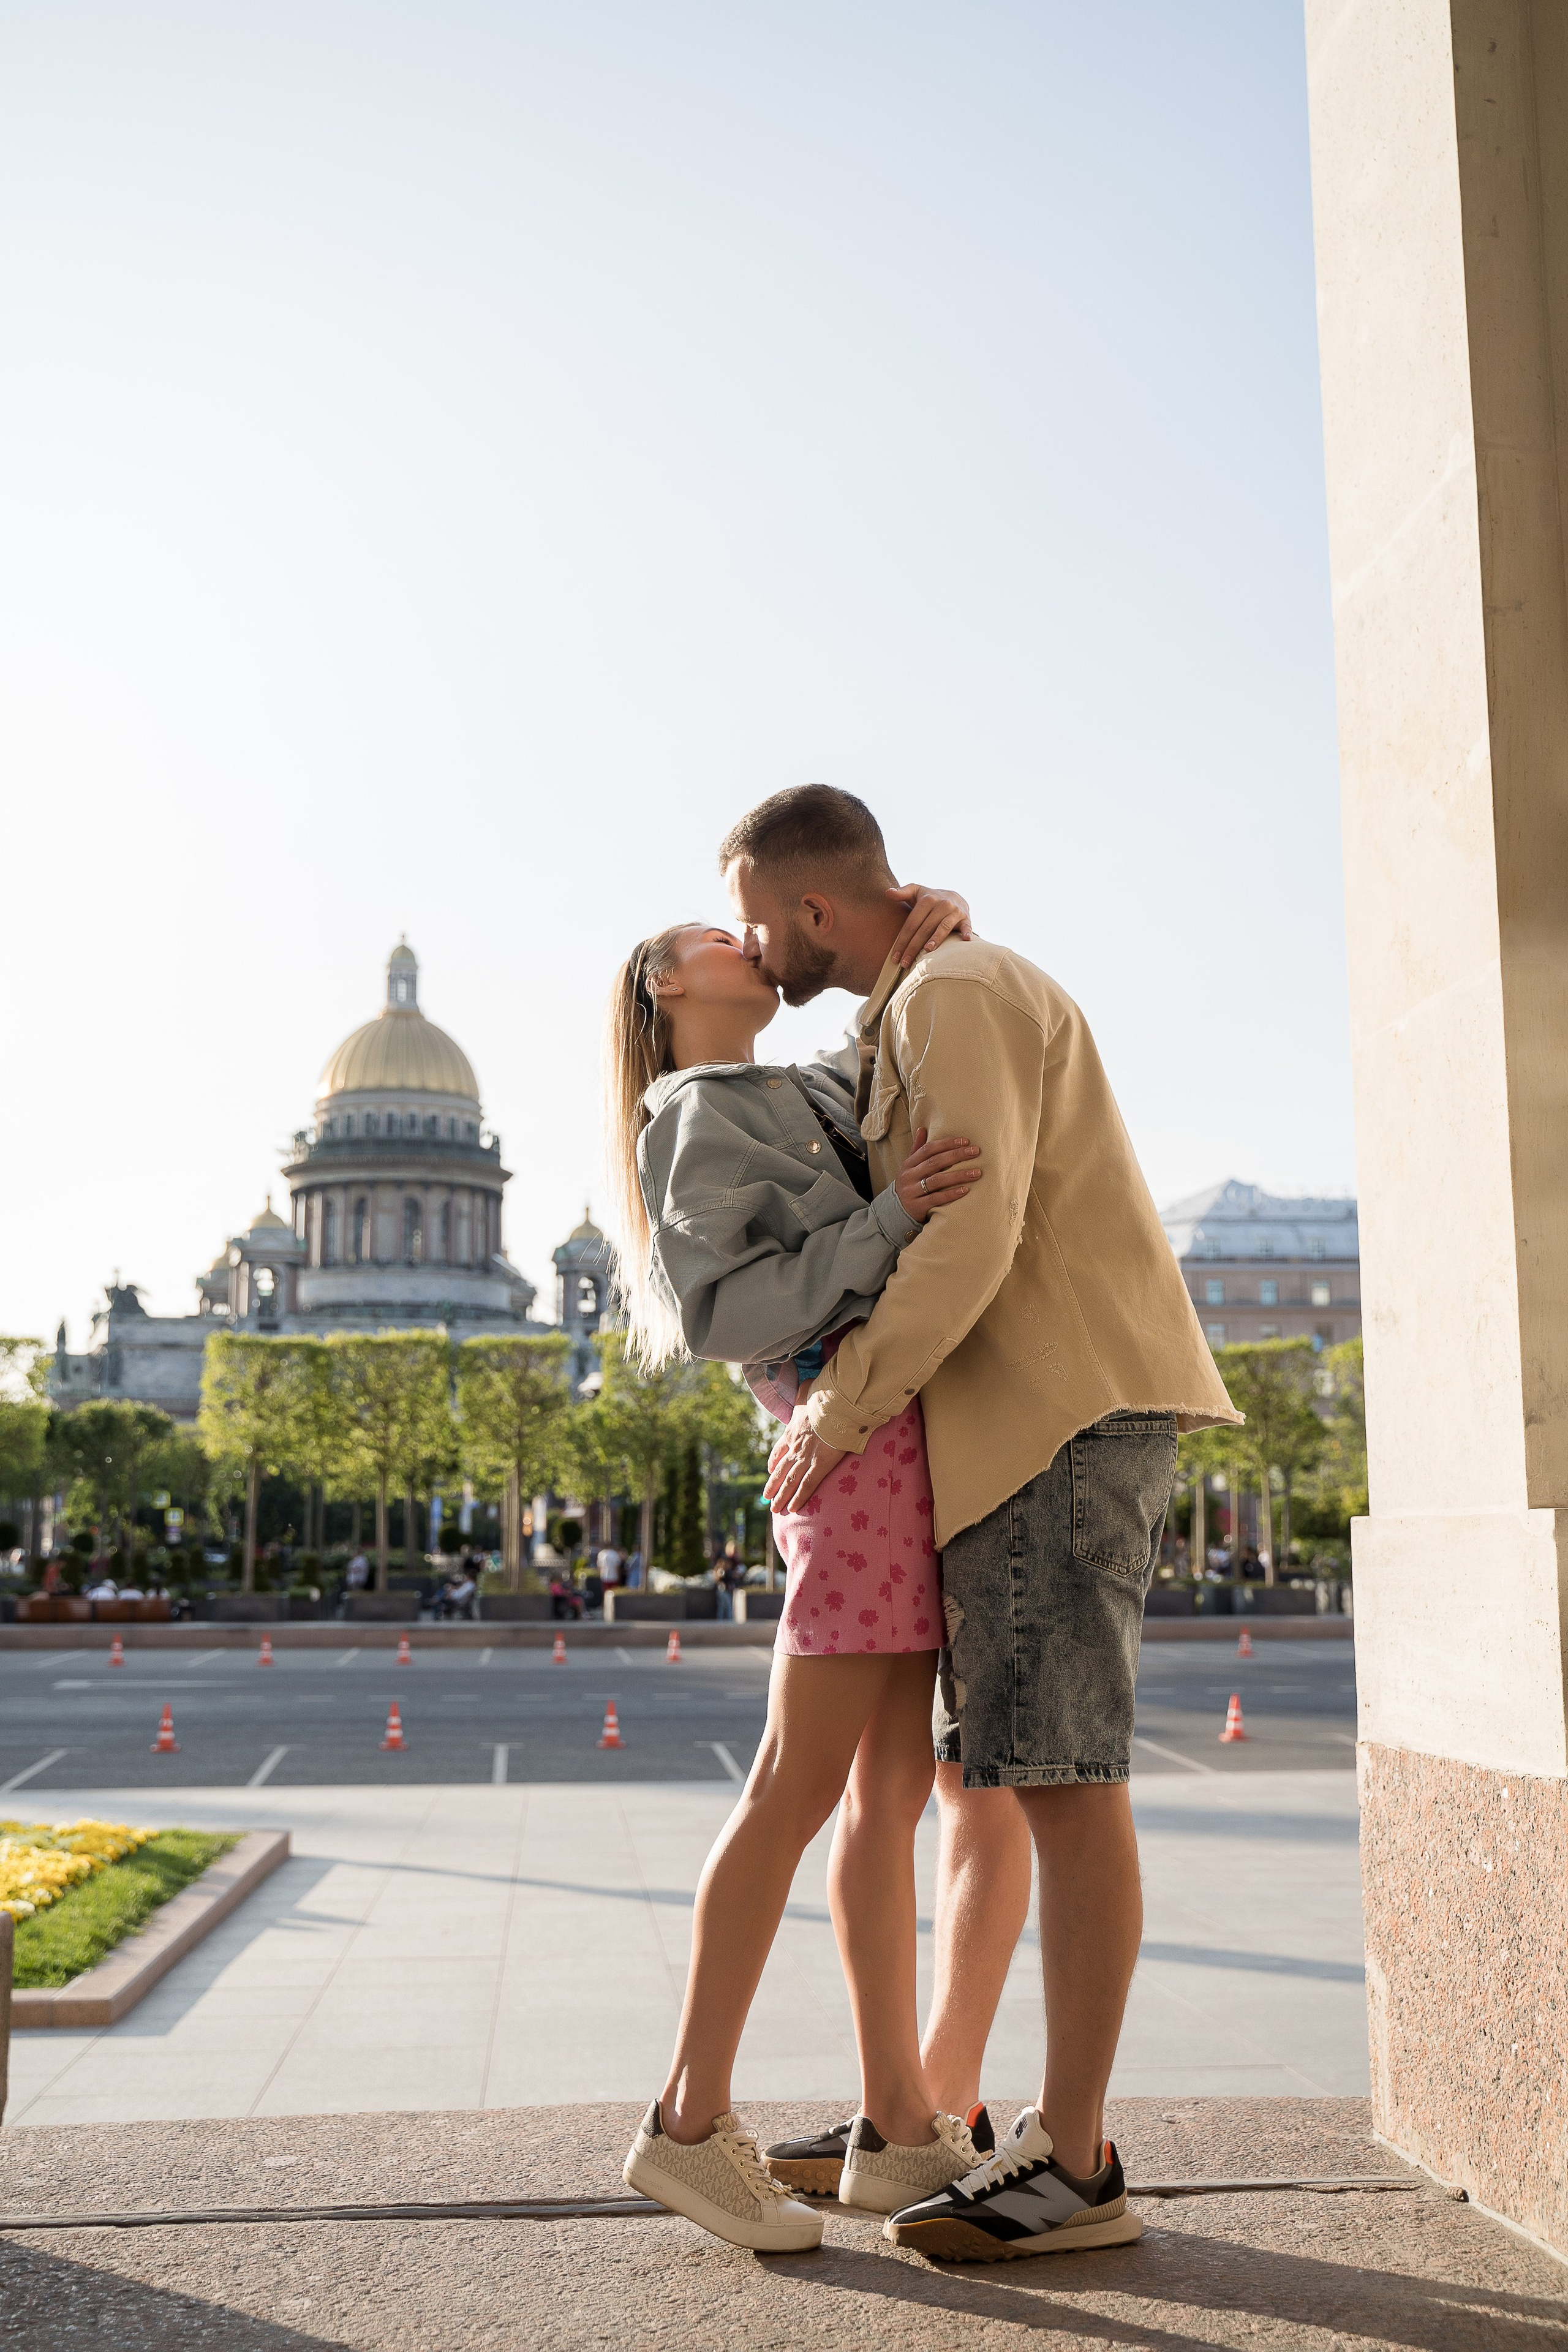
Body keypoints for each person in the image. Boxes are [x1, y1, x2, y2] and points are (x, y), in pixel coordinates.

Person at [730, 785, 1240, 2260]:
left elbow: (974, 1226)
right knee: (1000, 1785)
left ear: (816, 907)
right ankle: (941, 2114)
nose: (758, 953)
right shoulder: (926, 991)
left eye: (763, 920)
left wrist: (840, 1407)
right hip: (1019, 1423)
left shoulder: (950, 991)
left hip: (1050, 1418)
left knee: (1065, 1786)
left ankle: (1072, 2162)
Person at [608, 883, 986, 2253]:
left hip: (883, 1445)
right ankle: (687, 2122)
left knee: (881, 1799)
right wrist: (890, 1227)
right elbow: (727, 1313)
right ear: (663, 987)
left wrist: (920, 919)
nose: (742, 936)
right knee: (793, 1793)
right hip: (852, 1453)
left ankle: (894, 2126)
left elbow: (882, 1025)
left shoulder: (788, 1086)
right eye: (710, 933)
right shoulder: (692, 1113)